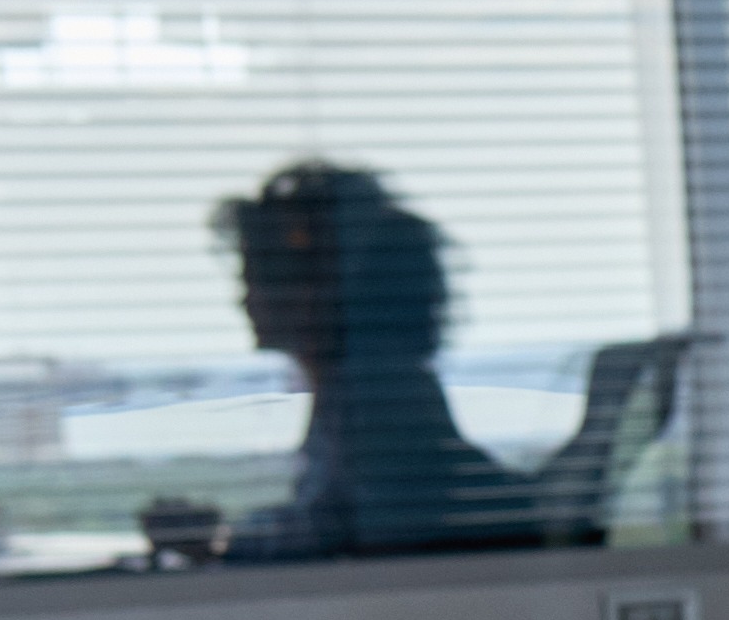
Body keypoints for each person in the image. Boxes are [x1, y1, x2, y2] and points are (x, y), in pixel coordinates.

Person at [209, 159, 544, 562]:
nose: (244, 299)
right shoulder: (357, 386)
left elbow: (349, 539)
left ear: (316, 288)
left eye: (257, 277)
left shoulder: (376, 390)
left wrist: (222, 543)